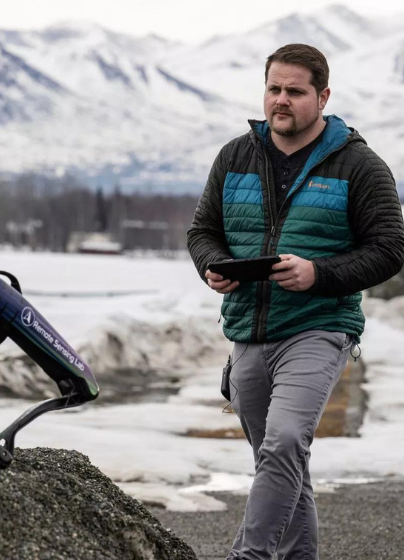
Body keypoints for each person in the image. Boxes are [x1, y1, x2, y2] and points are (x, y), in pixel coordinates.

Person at [187, 43, 404, 559]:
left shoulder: (359, 165)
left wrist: (319, 273)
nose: (280, 100)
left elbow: (391, 248)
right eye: (273, 89)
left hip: (319, 325)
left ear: (323, 96)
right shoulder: (235, 155)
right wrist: (212, 265)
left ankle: (249, 555)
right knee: (281, 465)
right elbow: (203, 230)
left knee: (283, 443)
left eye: (294, 91)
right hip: (247, 329)